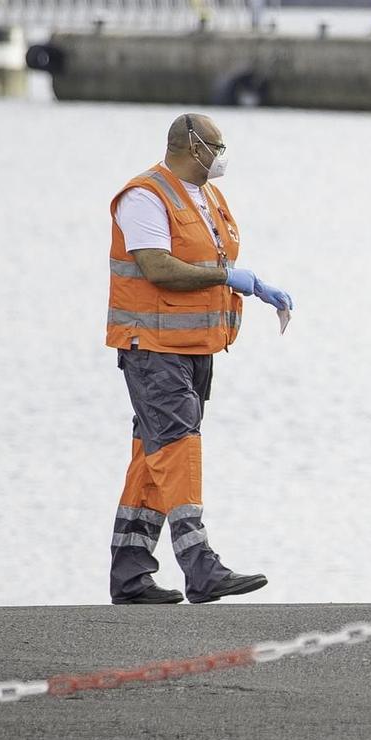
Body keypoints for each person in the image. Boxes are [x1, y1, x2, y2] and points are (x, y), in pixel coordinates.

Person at [107, 113, 292, 604]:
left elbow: (214, 256)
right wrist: (228, 279)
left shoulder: (207, 196)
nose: (222, 153)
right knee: (178, 447)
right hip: (153, 347)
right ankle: (200, 566)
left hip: (196, 348)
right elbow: (157, 267)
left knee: (154, 460)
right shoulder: (145, 196)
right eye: (216, 145)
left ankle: (130, 576)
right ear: (191, 146)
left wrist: (249, 284)